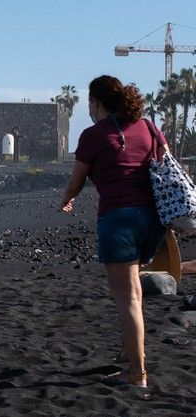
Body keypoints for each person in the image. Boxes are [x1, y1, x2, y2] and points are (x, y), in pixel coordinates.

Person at [60, 75, 169, 388]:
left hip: (118, 221)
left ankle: (137, 375)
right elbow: (166, 166)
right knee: (133, 290)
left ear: (95, 102)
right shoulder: (149, 127)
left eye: (89, 103)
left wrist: (66, 200)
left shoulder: (93, 136)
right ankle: (128, 351)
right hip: (153, 223)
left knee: (129, 298)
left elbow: (76, 182)